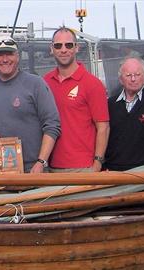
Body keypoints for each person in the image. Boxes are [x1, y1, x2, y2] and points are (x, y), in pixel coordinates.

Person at [0, 35, 61, 174]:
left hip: (33, 172)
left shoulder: (36, 84)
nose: (5, 59)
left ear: (18, 56)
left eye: (9, 54)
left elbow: (52, 125)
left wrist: (41, 162)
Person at [43, 27, 109, 172]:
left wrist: (97, 163)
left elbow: (103, 127)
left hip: (82, 167)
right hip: (50, 167)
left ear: (77, 48)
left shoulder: (92, 84)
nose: (63, 49)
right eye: (58, 46)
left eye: (69, 45)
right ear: (51, 49)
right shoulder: (45, 82)